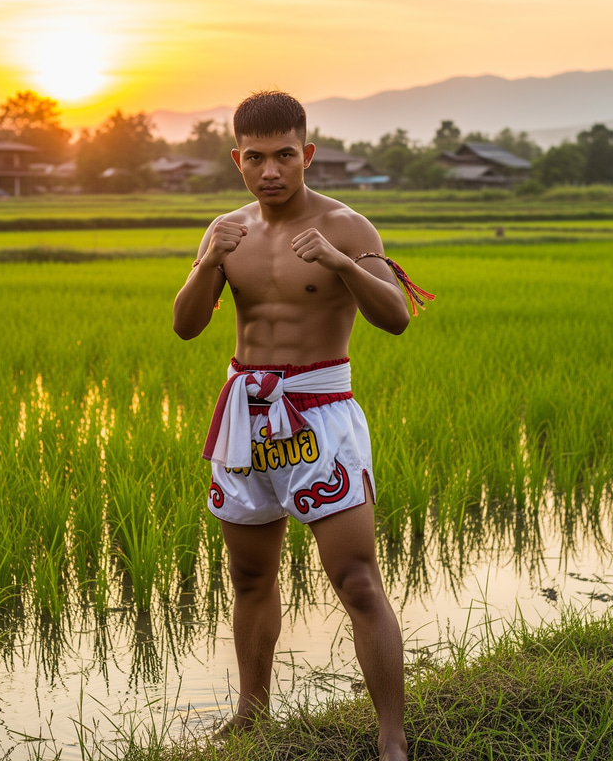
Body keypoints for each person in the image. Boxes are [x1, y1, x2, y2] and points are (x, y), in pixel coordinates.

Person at [173, 90, 429, 761]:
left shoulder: (348, 226)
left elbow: (396, 317)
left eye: (284, 155)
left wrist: (341, 264)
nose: (271, 171)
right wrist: (208, 262)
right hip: (248, 417)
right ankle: (251, 715)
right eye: (256, 158)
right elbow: (186, 326)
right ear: (237, 160)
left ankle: (393, 739)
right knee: (249, 578)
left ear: (307, 154)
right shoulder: (225, 230)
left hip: (321, 414)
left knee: (356, 580)